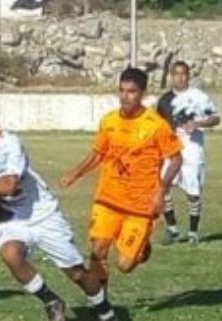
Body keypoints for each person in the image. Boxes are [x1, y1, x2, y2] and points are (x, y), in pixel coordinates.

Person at [0, 103, 120, 321]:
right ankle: (51, 301)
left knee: (77, 274)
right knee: (10, 253)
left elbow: (8, 187)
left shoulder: (11, 145)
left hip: (42, 214)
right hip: (12, 219)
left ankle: (104, 311)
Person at [60, 68, 183, 292]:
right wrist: (75, 173)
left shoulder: (156, 125)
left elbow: (175, 159)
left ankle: (141, 248)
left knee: (124, 265)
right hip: (108, 198)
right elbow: (98, 153)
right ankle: (102, 306)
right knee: (97, 252)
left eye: (132, 92)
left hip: (140, 205)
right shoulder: (109, 121)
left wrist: (161, 191)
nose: (125, 96)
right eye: (122, 90)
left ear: (143, 94)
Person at [155, 61, 220, 245]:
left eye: (183, 74)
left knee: (192, 192)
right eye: (176, 74)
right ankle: (172, 228)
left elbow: (216, 118)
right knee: (163, 185)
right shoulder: (165, 100)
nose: (180, 77)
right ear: (171, 76)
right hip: (170, 148)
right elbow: (159, 125)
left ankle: (193, 232)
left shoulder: (199, 97)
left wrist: (198, 123)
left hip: (192, 149)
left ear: (188, 76)